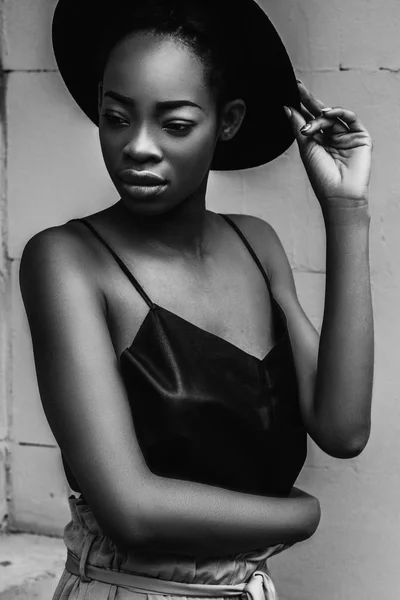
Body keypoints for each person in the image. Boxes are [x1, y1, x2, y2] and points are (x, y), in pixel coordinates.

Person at [19, 0, 374, 598]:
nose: (138, 146)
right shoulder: (66, 260)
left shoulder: (256, 244)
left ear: (227, 121)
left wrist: (346, 210)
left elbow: (342, 429)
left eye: (175, 124)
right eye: (116, 117)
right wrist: (302, 515)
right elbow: (132, 509)